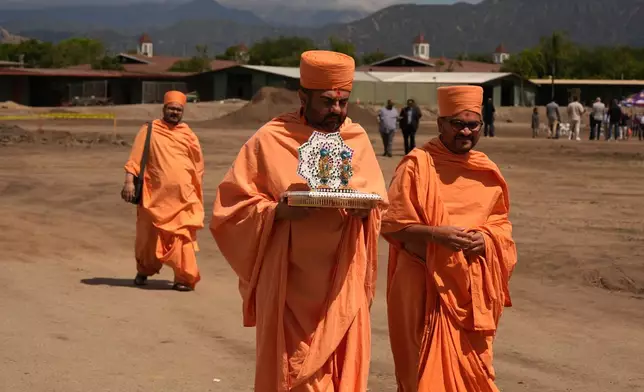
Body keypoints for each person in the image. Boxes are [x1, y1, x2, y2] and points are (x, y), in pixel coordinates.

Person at [210, 50, 388, 392]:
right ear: (303, 97)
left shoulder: (357, 139)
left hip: (341, 282)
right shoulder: (271, 138)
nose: (336, 110)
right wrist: (276, 211)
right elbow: (230, 209)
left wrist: (366, 211)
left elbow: (377, 202)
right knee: (291, 373)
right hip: (288, 285)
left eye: (342, 102)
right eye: (327, 102)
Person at [381, 85, 517, 392]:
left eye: (473, 124)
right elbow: (390, 225)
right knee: (422, 373)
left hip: (470, 290)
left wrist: (488, 240)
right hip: (422, 287)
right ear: (441, 123)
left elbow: (501, 226)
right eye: (458, 124)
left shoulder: (487, 171)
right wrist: (436, 235)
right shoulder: (417, 165)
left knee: (472, 371)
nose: (466, 131)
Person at [121, 91, 204, 292]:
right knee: (147, 237)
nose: (174, 112)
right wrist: (129, 182)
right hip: (153, 195)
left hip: (183, 197)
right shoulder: (150, 130)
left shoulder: (188, 134)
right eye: (171, 108)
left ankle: (184, 277)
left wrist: (193, 188)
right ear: (164, 109)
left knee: (182, 236)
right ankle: (144, 269)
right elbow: (135, 159)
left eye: (178, 109)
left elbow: (198, 165)